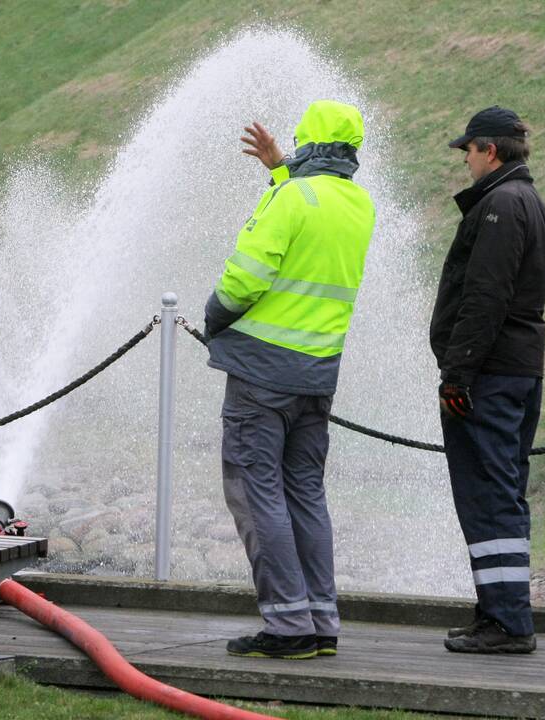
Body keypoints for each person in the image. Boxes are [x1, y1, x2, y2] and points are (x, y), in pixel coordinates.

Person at [204, 100, 376, 659]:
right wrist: (280, 169)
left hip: (261, 375)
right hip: (317, 377)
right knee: (305, 492)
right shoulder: (359, 204)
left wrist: (214, 316)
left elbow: (243, 280)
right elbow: (310, 215)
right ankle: (321, 622)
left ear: (306, 142)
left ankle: (285, 625)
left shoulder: (290, 199)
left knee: (258, 495)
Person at [430, 106, 545, 653]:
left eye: (469, 151)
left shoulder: (501, 204)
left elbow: (485, 297)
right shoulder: (528, 200)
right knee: (502, 491)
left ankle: (506, 623)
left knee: (490, 494)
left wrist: (458, 373)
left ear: (491, 151)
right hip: (515, 369)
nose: (466, 161)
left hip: (492, 374)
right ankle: (498, 611)